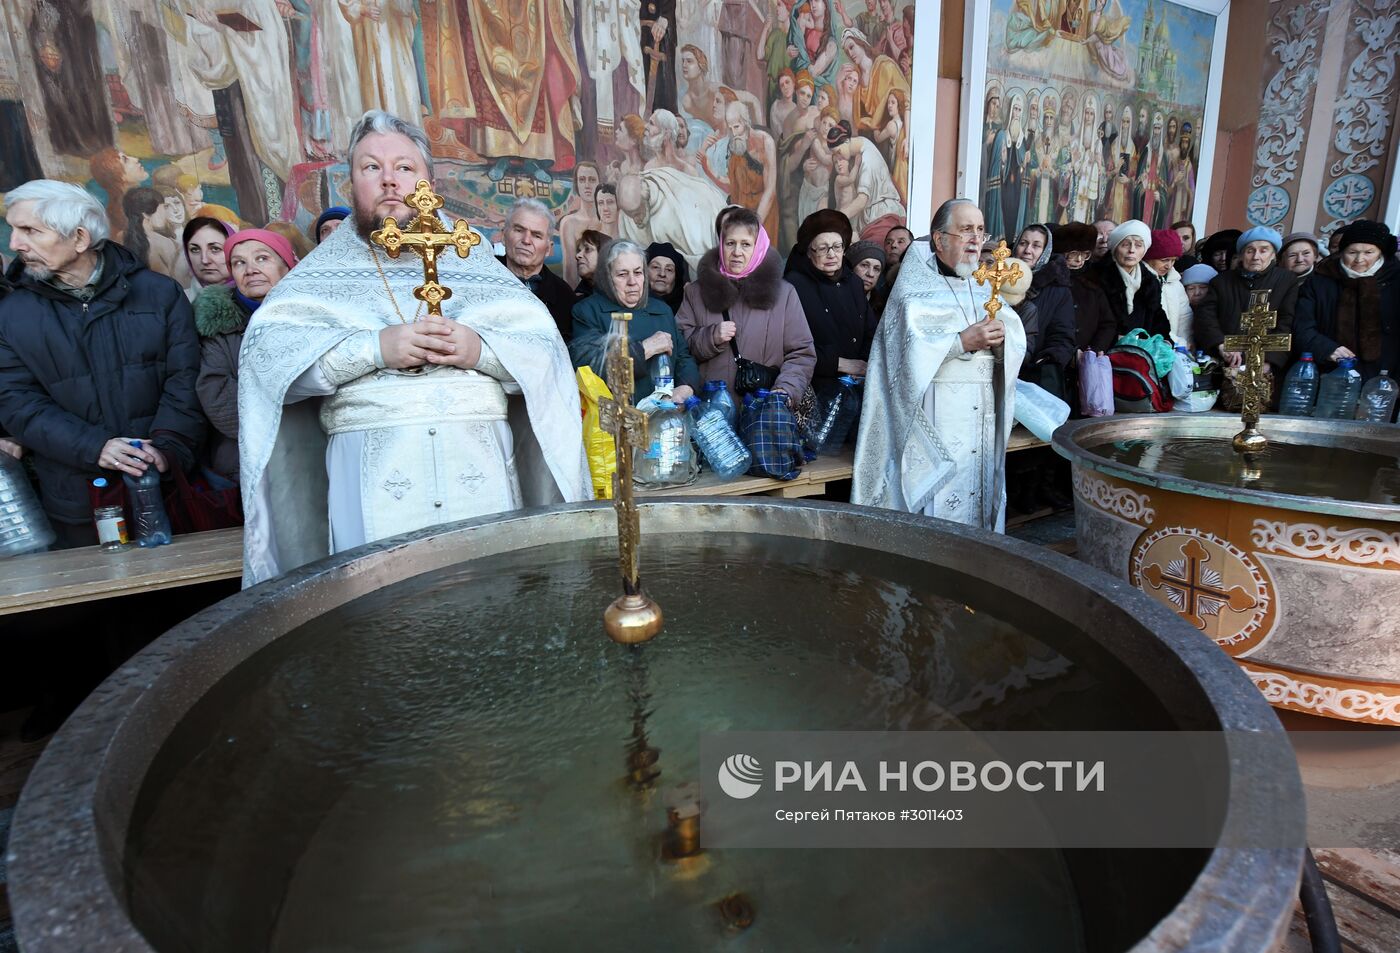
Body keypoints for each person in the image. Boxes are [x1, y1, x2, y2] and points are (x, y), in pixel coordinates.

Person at [237, 110, 590, 585]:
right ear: (351, 183)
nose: (389, 181)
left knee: (491, 615)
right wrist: (374, 349)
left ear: (427, 179)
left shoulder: (472, 259)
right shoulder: (318, 278)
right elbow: (267, 371)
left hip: (479, 473)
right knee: (385, 627)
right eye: (371, 167)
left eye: (404, 167)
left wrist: (478, 350)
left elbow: (546, 358)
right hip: (373, 482)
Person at [0, 179, 204, 548]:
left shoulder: (160, 294)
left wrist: (166, 448)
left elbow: (186, 379)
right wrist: (96, 447)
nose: (14, 243)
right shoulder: (11, 315)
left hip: (166, 486)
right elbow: (16, 401)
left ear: (79, 238)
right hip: (78, 503)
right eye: (13, 229)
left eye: (29, 230)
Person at [852, 198, 1026, 530]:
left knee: (978, 499)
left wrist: (1005, 342)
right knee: (939, 507)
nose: (976, 238)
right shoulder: (912, 291)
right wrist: (961, 342)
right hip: (934, 420)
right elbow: (902, 359)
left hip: (982, 420)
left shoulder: (985, 287)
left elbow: (1014, 339)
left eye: (979, 229)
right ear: (939, 239)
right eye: (965, 230)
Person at [675, 206, 815, 398]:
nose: (737, 252)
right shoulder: (696, 292)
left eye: (746, 244)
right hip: (710, 413)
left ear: (758, 247)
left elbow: (801, 354)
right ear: (721, 245)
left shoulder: (784, 294)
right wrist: (711, 337)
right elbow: (680, 349)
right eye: (730, 243)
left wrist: (784, 391)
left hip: (763, 410)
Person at [194, 229, 298, 483]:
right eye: (239, 262)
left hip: (314, 446)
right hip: (248, 455)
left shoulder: (314, 316)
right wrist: (278, 431)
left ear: (287, 266)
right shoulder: (218, 327)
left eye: (262, 258)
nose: (250, 269)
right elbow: (216, 393)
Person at [569, 238, 700, 404]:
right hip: (615, 420)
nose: (632, 282)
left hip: (664, 416)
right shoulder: (587, 311)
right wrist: (644, 348)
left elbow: (683, 357)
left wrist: (686, 387)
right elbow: (590, 368)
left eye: (638, 273)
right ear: (607, 277)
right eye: (622, 274)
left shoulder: (662, 310)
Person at [1293, 219, 1399, 382]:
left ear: (1380, 253)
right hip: (1329, 374)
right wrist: (1326, 349)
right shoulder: (1319, 282)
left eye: (1368, 252)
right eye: (1352, 252)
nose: (1359, 259)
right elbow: (1302, 327)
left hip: (1384, 379)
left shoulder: (1395, 281)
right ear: (1342, 252)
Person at [785, 209, 879, 391]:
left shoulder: (853, 282)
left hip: (856, 383)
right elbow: (787, 345)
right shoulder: (792, 286)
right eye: (822, 248)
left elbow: (871, 331)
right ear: (808, 252)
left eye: (837, 246)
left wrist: (862, 364)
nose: (831, 254)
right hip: (813, 387)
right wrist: (840, 364)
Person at [1195, 227, 1298, 376]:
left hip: (1265, 365)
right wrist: (1221, 344)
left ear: (1273, 255)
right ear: (1242, 254)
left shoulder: (1286, 281)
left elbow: (1286, 322)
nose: (1256, 256)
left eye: (1263, 251)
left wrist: (1269, 362)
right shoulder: (1221, 282)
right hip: (1227, 362)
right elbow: (1205, 317)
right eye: (1250, 251)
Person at [498, 197, 578, 341]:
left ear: (548, 249)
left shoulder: (565, 296)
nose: (526, 240)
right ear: (504, 236)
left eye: (536, 235)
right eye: (519, 230)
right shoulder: (480, 276)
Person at [1076, 219, 1172, 338]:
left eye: (1138, 245)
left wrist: (1165, 339)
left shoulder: (1150, 282)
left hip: (1140, 350)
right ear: (1115, 248)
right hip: (1103, 349)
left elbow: (1157, 316)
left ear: (1144, 251)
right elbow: (1088, 320)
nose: (1132, 250)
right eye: (1125, 244)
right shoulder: (1094, 277)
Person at [1012, 223, 1076, 392]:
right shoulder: (997, 277)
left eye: (1036, 245)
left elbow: (1062, 334)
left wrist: (1046, 360)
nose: (1027, 250)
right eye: (1023, 243)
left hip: (1032, 376)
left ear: (1045, 251)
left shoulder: (1058, 289)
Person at [1054, 221, 1117, 353]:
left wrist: (1092, 351)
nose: (1079, 260)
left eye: (1085, 254)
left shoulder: (1093, 282)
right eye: (1073, 254)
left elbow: (1107, 323)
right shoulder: (1049, 280)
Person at [1144, 228, 1192, 348]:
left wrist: (1185, 345)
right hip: (1148, 348)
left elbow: (1185, 319)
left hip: (1174, 349)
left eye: (1173, 260)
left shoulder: (1176, 284)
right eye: (1164, 260)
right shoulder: (1140, 282)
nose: (1169, 266)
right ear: (1149, 257)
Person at [182, 216, 237, 301]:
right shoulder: (176, 302)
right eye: (195, 250)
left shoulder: (260, 300)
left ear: (234, 251)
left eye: (215, 249)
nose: (205, 260)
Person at [646, 241, 691, 314]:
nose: (662, 274)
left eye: (669, 270)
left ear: (676, 277)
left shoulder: (688, 309)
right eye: (656, 267)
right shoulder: (632, 304)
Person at [573, 228, 610, 298]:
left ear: (604, 254)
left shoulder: (622, 294)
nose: (577, 255)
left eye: (587, 249)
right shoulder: (578, 298)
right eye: (579, 250)